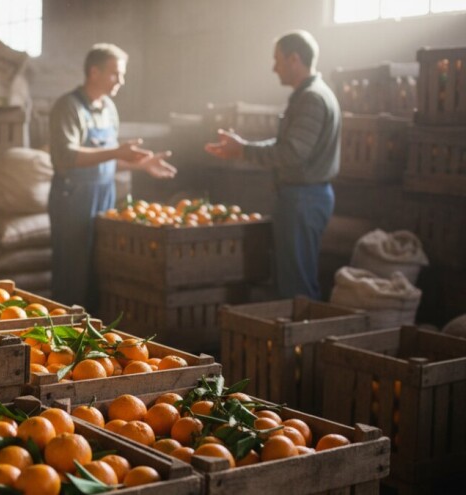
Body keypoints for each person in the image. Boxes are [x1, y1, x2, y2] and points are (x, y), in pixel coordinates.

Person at [204, 30, 340, 300]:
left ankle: (301, 339)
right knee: (294, 279)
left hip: (303, 198)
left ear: (294, 59)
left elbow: (291, 153)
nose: (273, 67)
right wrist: (242, 148)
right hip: (302, 196)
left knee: (296, 287)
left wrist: (242, 150)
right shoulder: (309, 95)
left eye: (277, 60)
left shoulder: (312, 98)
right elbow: (288, 145)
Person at [48, 43, 177, 311]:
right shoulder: (68, 107)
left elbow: (108, 161)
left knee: (100, 270)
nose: (121, 81)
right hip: (73, 199)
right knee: (73, 273)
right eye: (115, 74)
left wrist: (140, 165)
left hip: (104, 194)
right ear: (94, 72)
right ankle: (61, 340)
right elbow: (66, 157)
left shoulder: (108, 108)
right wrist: (117, 151)